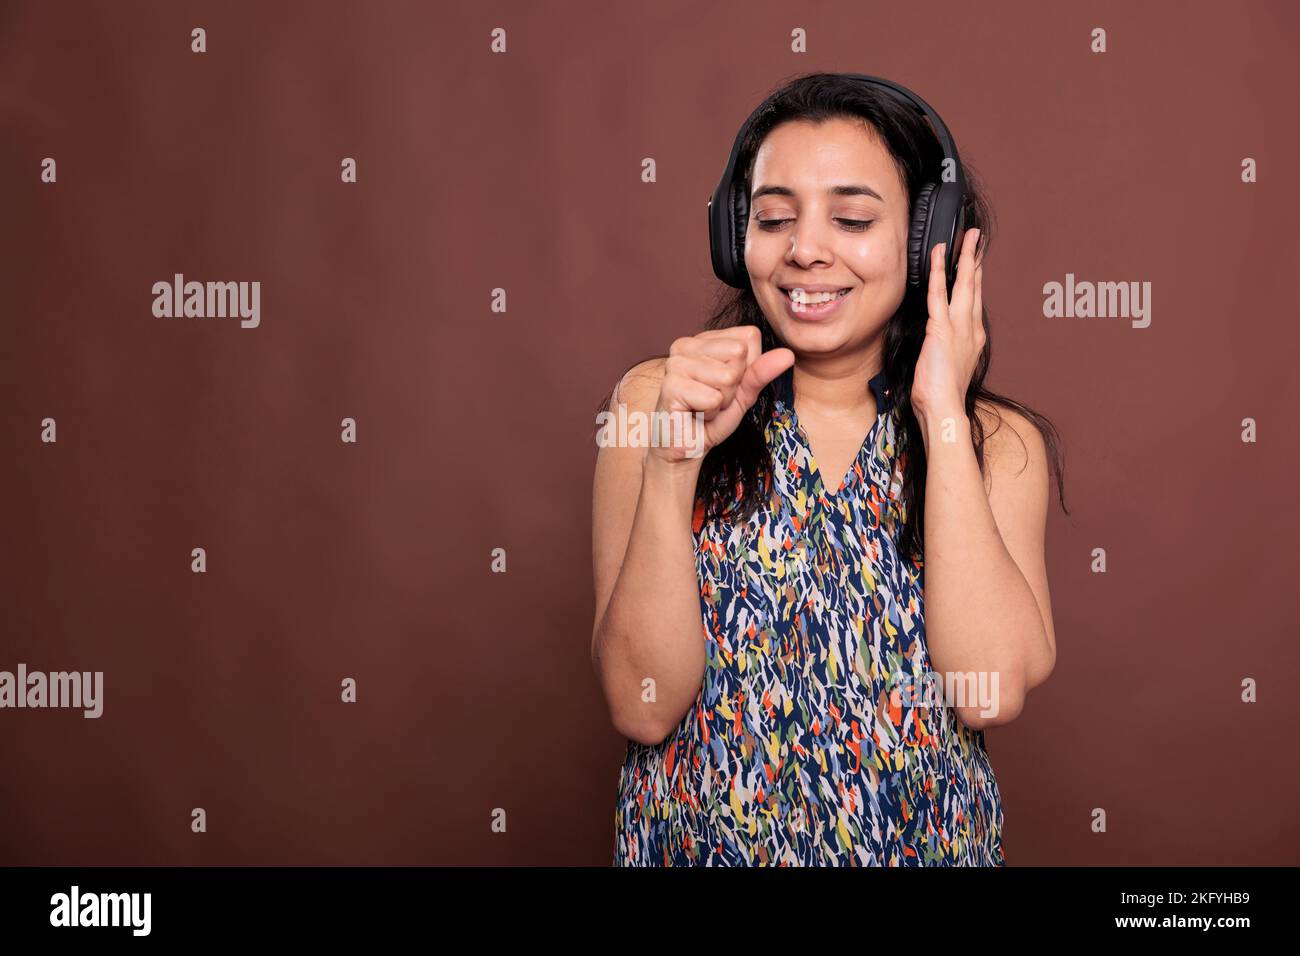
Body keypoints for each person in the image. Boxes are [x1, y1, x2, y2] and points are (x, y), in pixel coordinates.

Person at [590, 72, 1067, 866]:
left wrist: (941, 415)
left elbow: (991, 685)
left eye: (850, 218)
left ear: (926, 239)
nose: (805, 249)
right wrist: (675, 461)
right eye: (774, 218)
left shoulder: (995, 442)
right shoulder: (654, 400)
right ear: (733, 236)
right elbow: (642, 706)